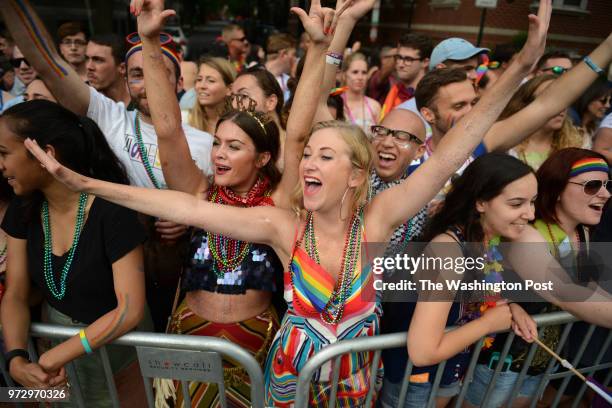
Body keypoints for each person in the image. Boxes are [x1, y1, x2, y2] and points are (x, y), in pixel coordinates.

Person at [25, 0, 552, 405]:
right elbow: (181, 207)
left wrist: (525, 63)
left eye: (326, 157)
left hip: (353, 386)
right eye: (308, 158)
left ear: (355, 175)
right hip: (285, 384)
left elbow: (453, 149)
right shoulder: (283, 226)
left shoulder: (379, 219)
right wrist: (86, 184)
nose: (308, 164)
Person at [130, 0, 319, 405]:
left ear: (262, 157)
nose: (218, 154)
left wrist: (319, 49)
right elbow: (167, 130)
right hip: (188, 343)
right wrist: (149, 41)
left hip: (253, 349)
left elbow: (300, 135)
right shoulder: (199, 193)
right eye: (216, 143)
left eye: (234, 147)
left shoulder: (278, 202)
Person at [1, 0, 215, 331]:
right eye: (136, 74)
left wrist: (190, 220)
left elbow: (220, 212)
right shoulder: (107, 115)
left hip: (180, 276)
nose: (146, 84)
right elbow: (49, 64)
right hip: (114, 273)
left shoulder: (204, 143)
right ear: (125, 78)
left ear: (179, 81)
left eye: (158, 71)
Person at [0, 100, 149, 406]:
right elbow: (15, 293)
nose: (0, 165)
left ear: (46, 155)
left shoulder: (112, 211)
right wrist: (17, 359)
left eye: (4, 154)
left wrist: (59, 352)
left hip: (124, 359)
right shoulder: (24, 208)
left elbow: (129, 310)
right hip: (59, 369)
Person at [467, 148, 612, 407]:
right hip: (499, 362)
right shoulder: (525, 234)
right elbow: (564, 292)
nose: (606, 193)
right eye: (592, 186)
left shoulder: (584, 234)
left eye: (607, 185)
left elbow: (588, 290)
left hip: (541, 362)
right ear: (557, 189)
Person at [402, 154, 538, 408]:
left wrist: (508, 308)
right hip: (416, 383)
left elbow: (475, 297)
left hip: (447, 375)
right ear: (481, 203)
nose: (530, 214)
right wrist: (488, 323)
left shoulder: (486, 240)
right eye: (517, 203)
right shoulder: (447, 250)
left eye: (532, 202)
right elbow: (422, 352)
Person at [503, 75, 584, 170]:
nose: (560, 107)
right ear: (525, 105)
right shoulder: (505, 145)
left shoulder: (578, 144)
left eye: (563, 99)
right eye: (549, 100)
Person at [378, 33, 432, 119]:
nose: (401, 64)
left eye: (408, 59)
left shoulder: (431, 96)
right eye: (399, 57)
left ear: (425, 62)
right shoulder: (395, 90)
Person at [185, 56, 236, 134]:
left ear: (229, 89)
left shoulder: (239, 125)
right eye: (199, 79)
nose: (202, 86)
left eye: (211, 81)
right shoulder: (184, 120)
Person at [340, 52, 381, 134]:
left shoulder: (375, 106)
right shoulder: (337, 104)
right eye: (355, 72)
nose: (360, 77)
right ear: (344, 75)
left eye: (364, 73)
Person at [85, 33, 130, 106]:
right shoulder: (83, 103)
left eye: (98, 60)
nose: (89, 66)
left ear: (122, 68)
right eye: (87, 59)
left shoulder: (143, 101)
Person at [265, 33, 297, 102]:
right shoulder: (255, 76)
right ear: (283, 54)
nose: (295, 59)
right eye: (293, 54)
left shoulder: (288, 80)